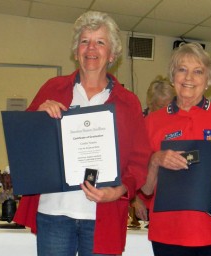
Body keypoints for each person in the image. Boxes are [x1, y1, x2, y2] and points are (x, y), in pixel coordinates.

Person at [13, 11, 151, 256]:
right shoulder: (52, 88)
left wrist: (118, 191)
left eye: (100, 42)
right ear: (76, 51)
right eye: (85, 41)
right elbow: (24, 144)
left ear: (112, 54)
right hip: (54, 212)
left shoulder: (128, 102)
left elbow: (139, 162)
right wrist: (39, 116)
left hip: (103, 215)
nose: (91, 48)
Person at [141, 42, 211, 256]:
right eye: (182, 70)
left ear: (208, 81)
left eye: (198, 71)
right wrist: (155, 160)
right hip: (169, 234)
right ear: (172, 76)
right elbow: (147, 190)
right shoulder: (152, 122)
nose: (189, 78)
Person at [131, 76, 175, 221]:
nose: (167, 111)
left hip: (169, 202)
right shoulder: (138, 127)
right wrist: (134, 200)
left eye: (171, 105)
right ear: (151, 104)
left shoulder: (176, 125)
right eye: (162, 106)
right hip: (143, 202)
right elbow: (126, 168)